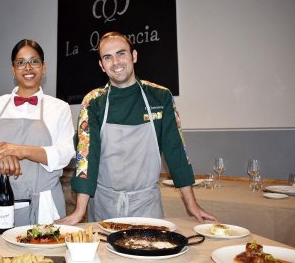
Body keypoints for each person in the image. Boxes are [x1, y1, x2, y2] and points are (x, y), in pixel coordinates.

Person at [58, 32, 216, 224]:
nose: (116, 62)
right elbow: (87, 158)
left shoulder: (160, 97)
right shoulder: (93, 102)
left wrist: (192, 205)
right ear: (101, 65)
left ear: (134, 56)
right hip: (103, 206)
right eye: (108, 57)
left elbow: (176, 152)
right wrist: (79, 211)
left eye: (121, 53)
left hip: (147, 205)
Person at [0, 39, 75, 226]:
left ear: (44, 67)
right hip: (0, 203)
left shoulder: (60, 108)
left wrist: (19, 150)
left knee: (44, 256)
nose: (28, 68)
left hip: (44, 208)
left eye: (34, 61)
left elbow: (65, 154)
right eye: (21, 62)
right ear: (13, 69)